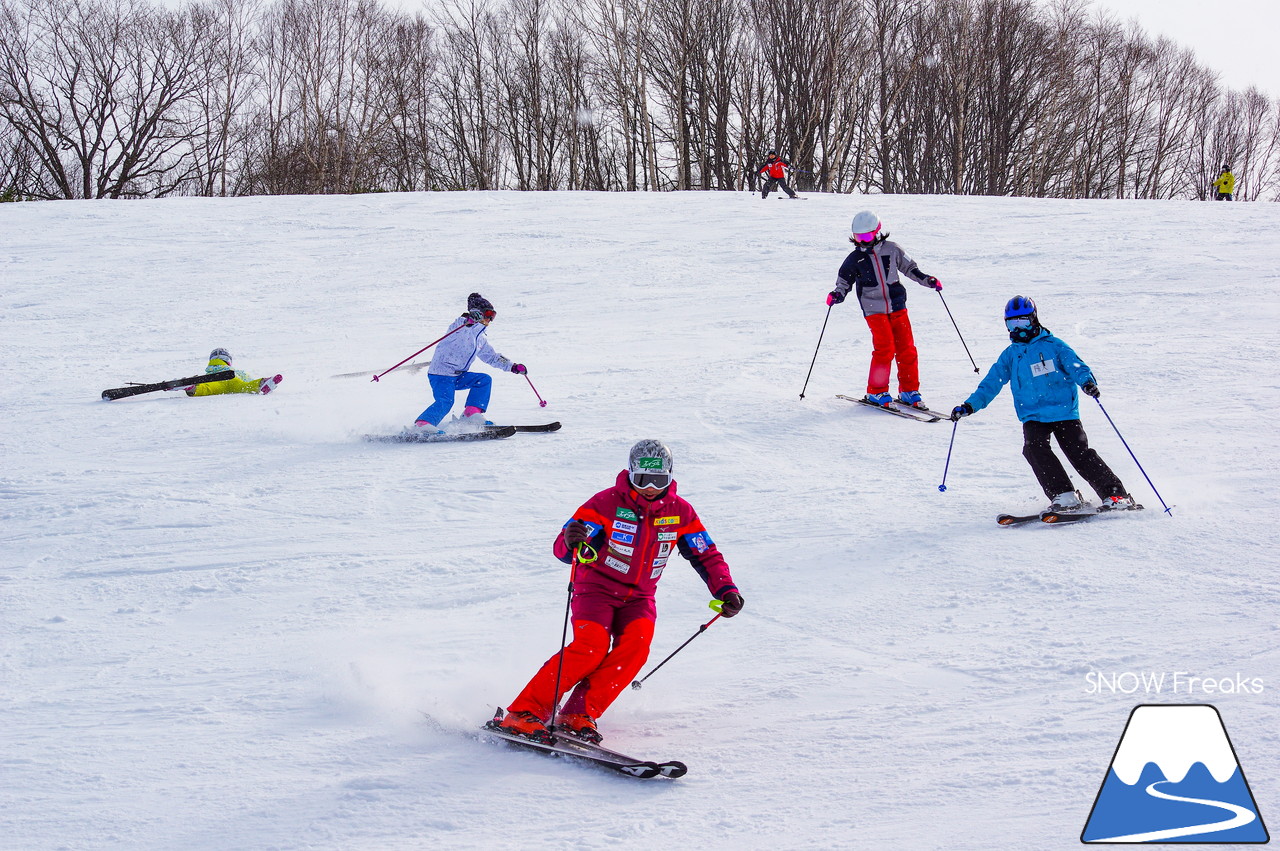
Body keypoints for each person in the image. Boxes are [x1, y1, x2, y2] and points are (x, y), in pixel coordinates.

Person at [497, 440, 744, 744]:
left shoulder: (681, 512)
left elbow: (705, 554)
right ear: (630, 474)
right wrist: (570, 539)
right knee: (592, 645)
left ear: (670, 477)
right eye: (643, 480)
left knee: (637, 647)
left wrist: (726, 589)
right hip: (596, 591)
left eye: (659, 481)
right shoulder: (604, 504)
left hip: (639, 597)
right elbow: (563, 551)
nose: (650, 488)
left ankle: (578, 713)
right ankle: (523, 712)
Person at [950, 296, 1135, 513]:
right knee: (1034, 449)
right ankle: (1064, 495)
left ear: (1034, 319)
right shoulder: (1011, 355)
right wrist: (970, 405)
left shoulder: (1053, 346)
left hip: (1063, 410)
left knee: (1079, 453)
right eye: (1012, 324)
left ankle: (1115, 494)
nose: (1018, 329)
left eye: (1023, 322)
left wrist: (1087, 383)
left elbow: (1076, 366)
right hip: (1032, 415)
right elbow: (991, 383)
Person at [826, 210, 942, 408]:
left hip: (897, 305)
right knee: (885, 348)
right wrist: (838, 294)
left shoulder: (893, 249)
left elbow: (911, 269)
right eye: (858, 237)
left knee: (906, 348)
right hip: (873, 309)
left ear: (877, 232)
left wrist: (927, 280)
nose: (862, 241)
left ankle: (908, 390)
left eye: (867, 236)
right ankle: (876, 392)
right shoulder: (854, 259)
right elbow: (844, 280)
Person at [415, 293, 526, 431]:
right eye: (489, 313)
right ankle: (422, 424)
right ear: (478, 313)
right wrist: (469, 319)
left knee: (483, 380)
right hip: (441, 374)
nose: (490, 319)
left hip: (459, 376)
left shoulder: (480, 338)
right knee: (446, 401)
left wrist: (512, 366)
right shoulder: (460, 326)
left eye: (493, 315)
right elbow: (462, 323)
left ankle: (471, 414)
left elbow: (492, 357)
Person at [183, 348, 281, 396]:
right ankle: (264, 382)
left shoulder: (209, 373)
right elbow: (248, 380)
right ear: (229, 361)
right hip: (231, 378)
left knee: (208, 388)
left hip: (215, 379)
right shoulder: (237, 372)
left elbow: (208, 387)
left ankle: (192, 388)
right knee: (246, 386)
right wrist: (258, 382)